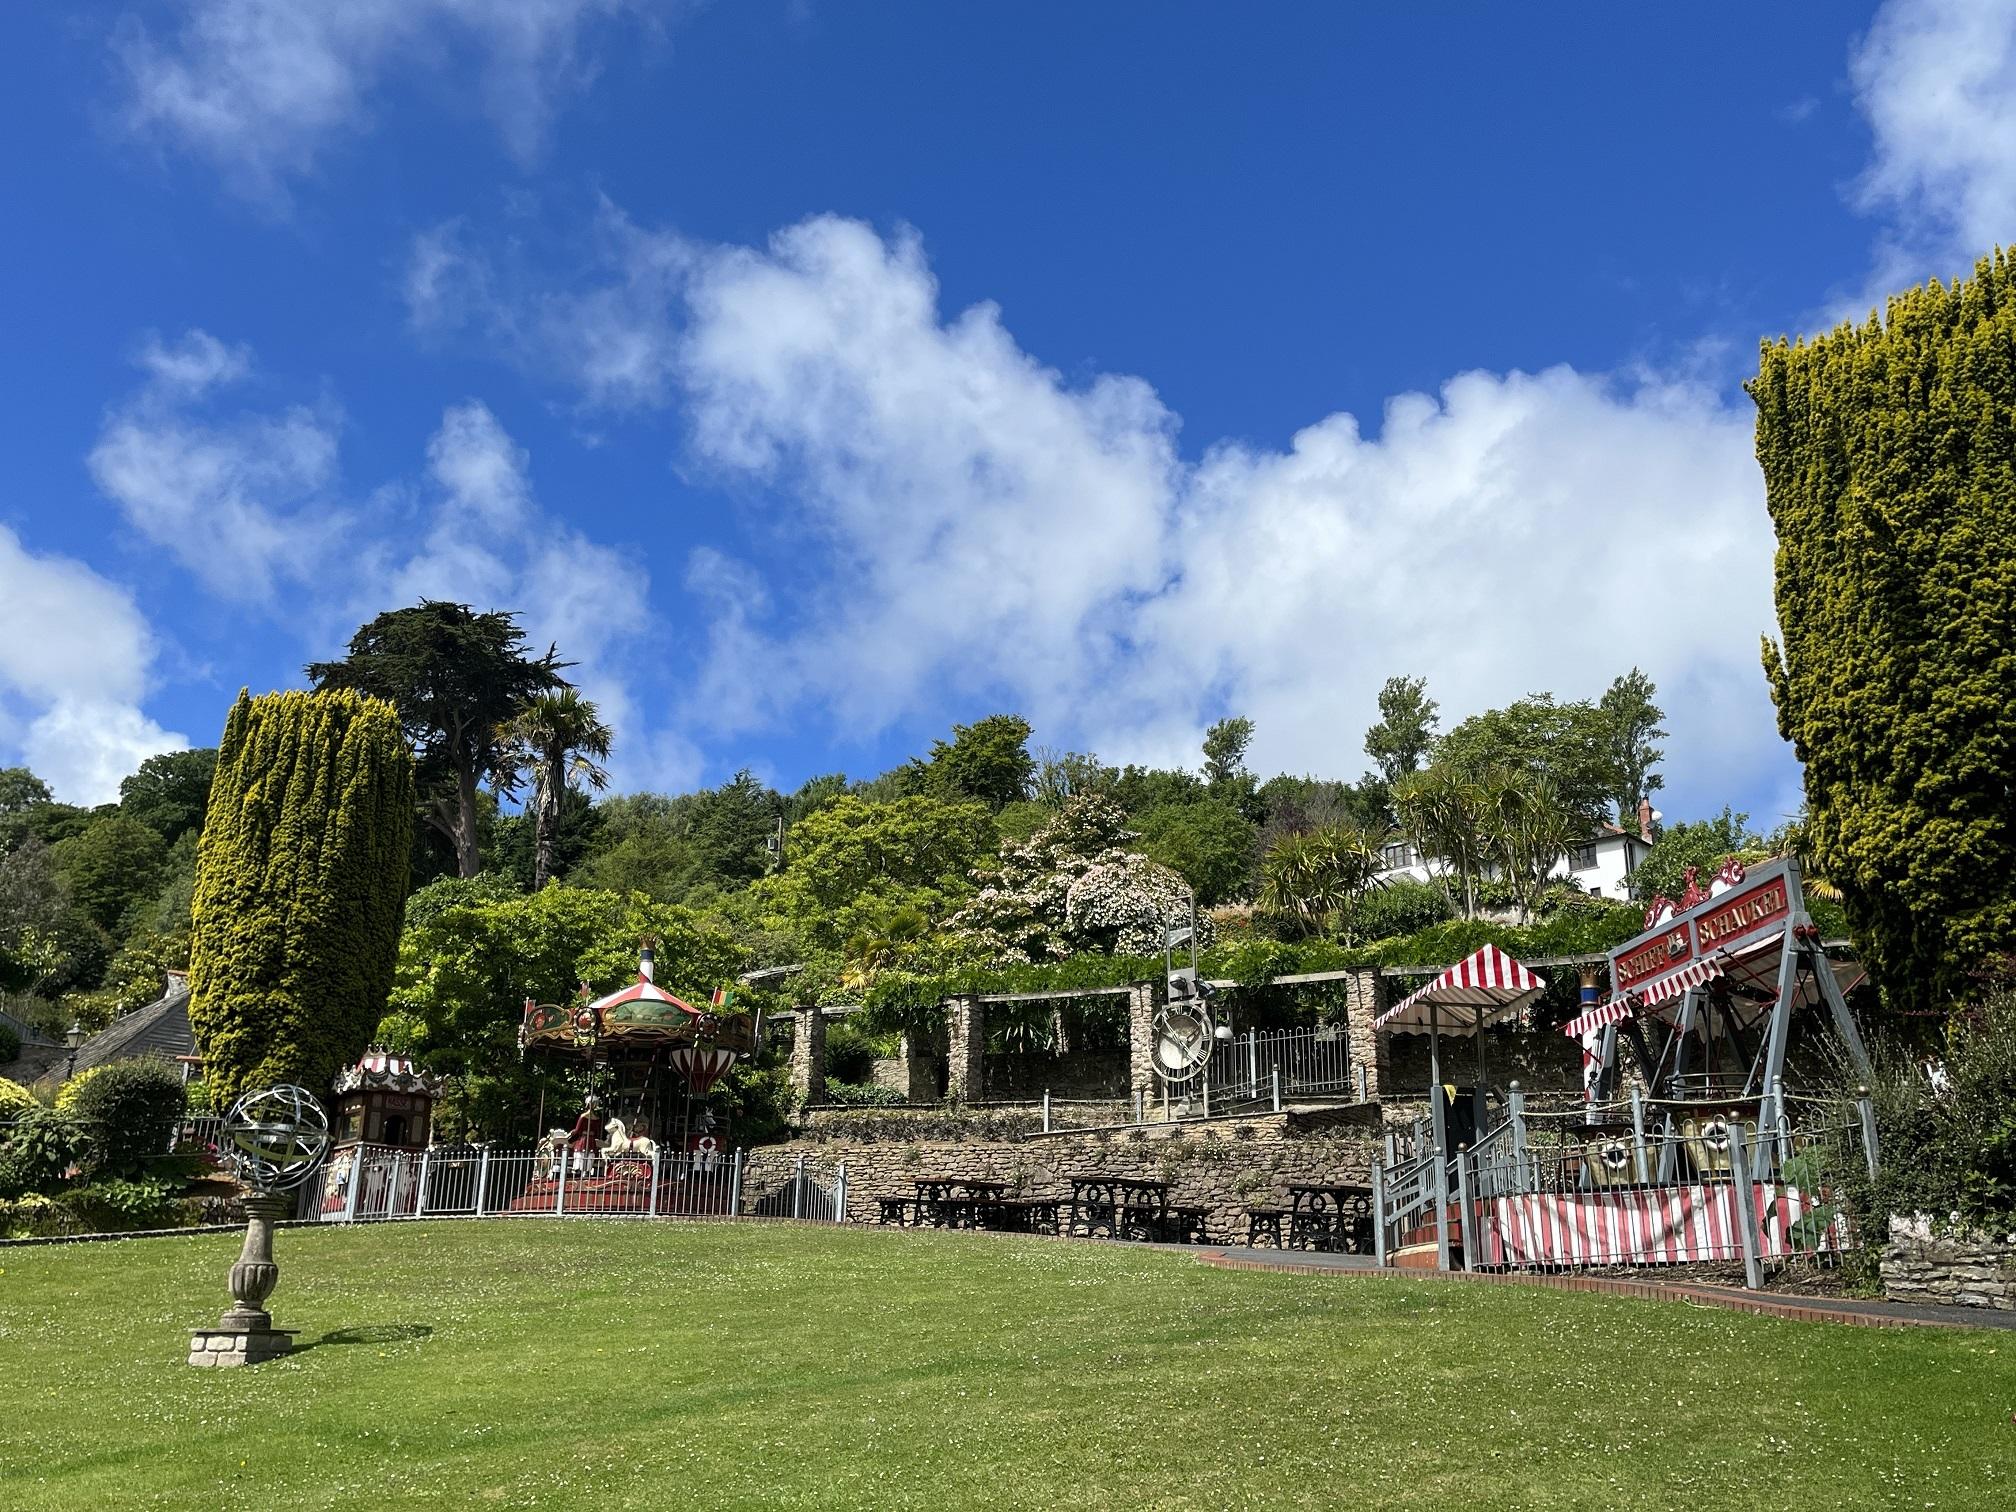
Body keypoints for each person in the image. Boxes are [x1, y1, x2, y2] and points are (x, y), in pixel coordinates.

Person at [566, 1094, 607, 1175]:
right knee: (589, 1157)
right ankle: (586, 1172)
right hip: (591, 1140)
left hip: (583, 1139)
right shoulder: (597, 1118)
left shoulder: (583, 1116)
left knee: (580, 1155)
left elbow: (577, 1130)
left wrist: (571, 1133)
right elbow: (597, 1132)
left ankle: (579, 1172)